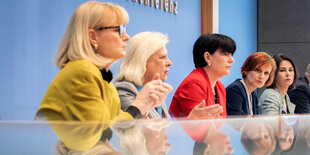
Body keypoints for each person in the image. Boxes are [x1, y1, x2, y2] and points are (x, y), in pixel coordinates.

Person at [35, 2, 172, 126]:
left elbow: (106, 138)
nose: (126, 37)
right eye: (119, 30)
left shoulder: (106, 84)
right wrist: (139, 105)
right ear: (93, 37)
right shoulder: (83, 72)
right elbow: (99, 133)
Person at [114, 32, 224, 119]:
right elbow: (138, 133)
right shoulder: (124, 90)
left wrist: (190, 120)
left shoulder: (155, 91)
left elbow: (167, 136)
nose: (169, 62)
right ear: (142, 61)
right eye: (162, 57)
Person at [169, 33, 236, 118]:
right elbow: (197, 128)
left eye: (231, 55)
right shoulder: (194, 83)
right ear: (207, 57)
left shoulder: (220, 87)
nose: (232, 60)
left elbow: (218, 125)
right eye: (225, 54)